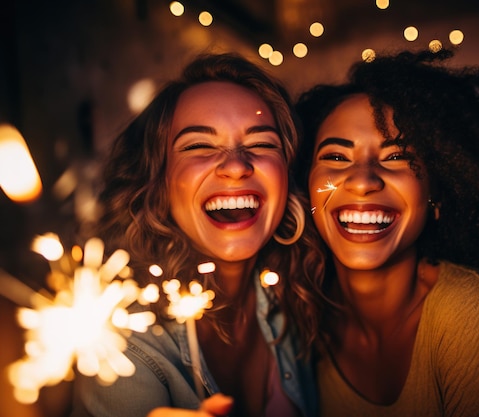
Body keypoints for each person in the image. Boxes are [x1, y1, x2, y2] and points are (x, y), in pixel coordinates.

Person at [295, 49, 479, 416]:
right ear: (305, 185)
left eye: (397, 157)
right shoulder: (302, 319)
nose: (362, 180)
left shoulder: (477, 312)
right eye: (337, 157)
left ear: (437, 191)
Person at [71, 53, 324, 417]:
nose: (237, 166)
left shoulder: (296, 299)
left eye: (263, 144)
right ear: (157, 181)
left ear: (288, 173)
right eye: (199, 146)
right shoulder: (124, 345)